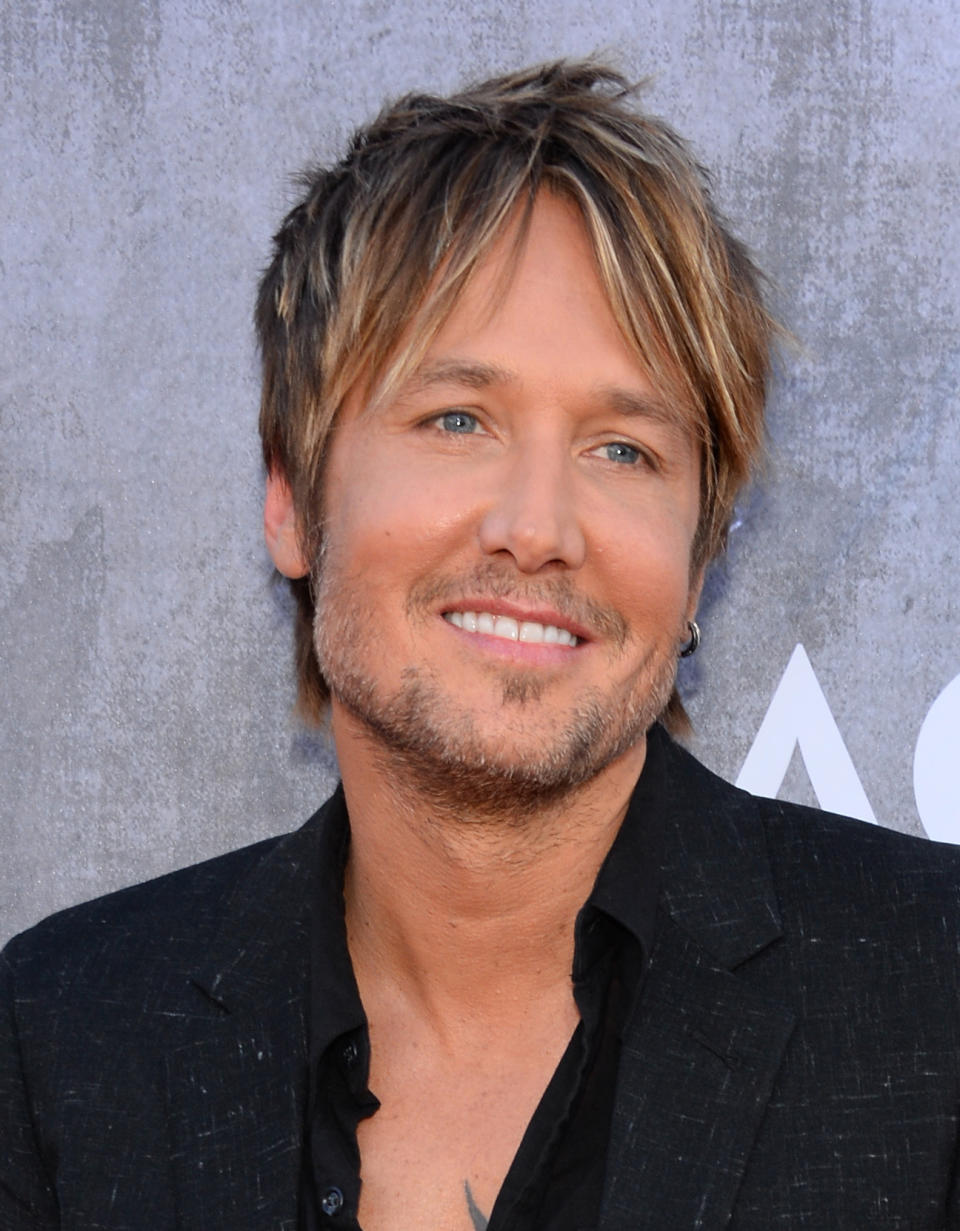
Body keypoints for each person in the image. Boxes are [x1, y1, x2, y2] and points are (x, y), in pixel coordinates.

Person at [2, 61, 959, 1231]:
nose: (538, 528)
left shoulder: (936, 1007)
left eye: (623, 450)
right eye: (459, 419)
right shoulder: (62, 1044)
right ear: (293, 499)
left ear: (700, 559)